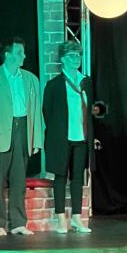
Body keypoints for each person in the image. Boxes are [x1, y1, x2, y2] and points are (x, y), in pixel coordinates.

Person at [0, 36, 42, 237]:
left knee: (19, 180)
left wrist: (36, 139)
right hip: (0, 133)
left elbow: (36, 112)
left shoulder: (31, 79)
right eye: (19, 52)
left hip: (22, 130)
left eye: (23, 52)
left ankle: (18, 223)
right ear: (7, 54)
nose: (24, 56)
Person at [43, 40, 93, 234]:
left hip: (81, 138)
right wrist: (57, 131)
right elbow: (47, 112)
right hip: (62, 138)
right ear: (63, 59)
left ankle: (77, 218)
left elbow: (90, 110)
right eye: (72, 56)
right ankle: (60, 218)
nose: (76, 59)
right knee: (61, 176)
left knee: (78, 178)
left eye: (78, 55)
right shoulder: (54, 85)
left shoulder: (86, 82)